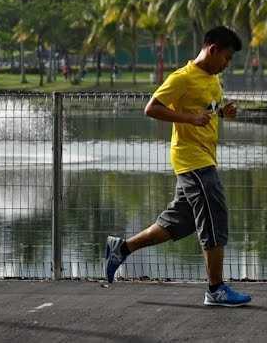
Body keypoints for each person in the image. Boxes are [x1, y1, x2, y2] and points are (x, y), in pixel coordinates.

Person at [103, 25, 251, 307]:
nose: (227, 64)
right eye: (227, 58)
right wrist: (188, 119)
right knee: (214, 217)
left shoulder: (212, 80)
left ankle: (121, 248)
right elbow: (152, 108)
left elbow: (207, 112)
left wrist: (224, 113)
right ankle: (216, 289)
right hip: (192, 160)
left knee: (179, 222)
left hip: (205, 157)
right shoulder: (182, 77)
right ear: (213, 49)